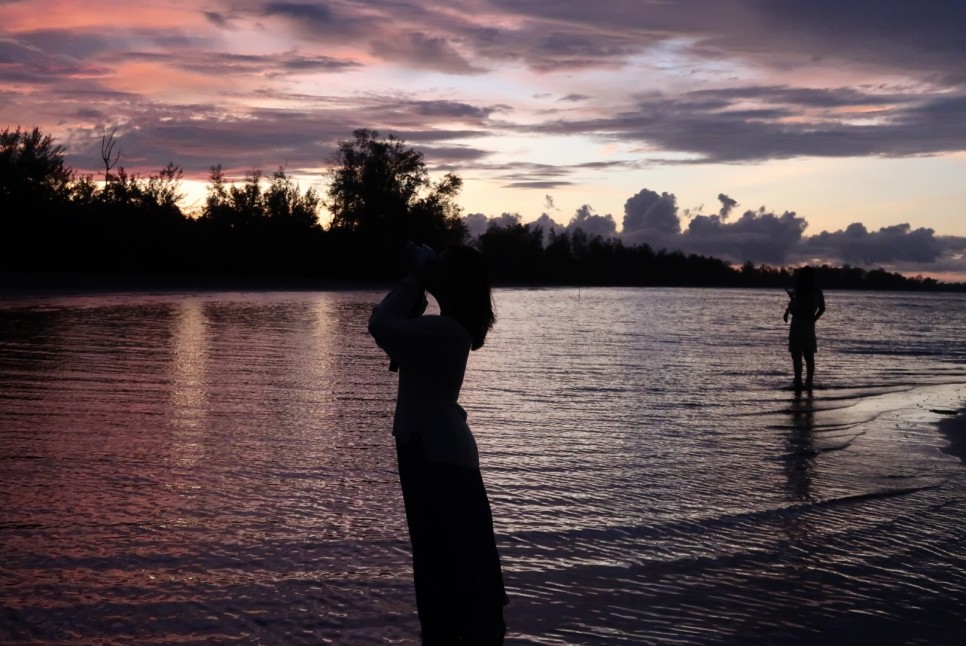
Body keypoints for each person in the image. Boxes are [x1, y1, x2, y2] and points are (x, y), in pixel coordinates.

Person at [368, 242, 507, 645]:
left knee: (447, 568)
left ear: (454, 281)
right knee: (446, 566)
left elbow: (380, 324)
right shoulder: (440, 330)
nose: (433, 266)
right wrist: (420, 282)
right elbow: (389, 329)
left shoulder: (446, 331)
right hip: (434, 452)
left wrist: (415, 277)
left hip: (436, 457)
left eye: (440, 264)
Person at [783, 265, 826, 390]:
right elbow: (822, 308)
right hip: (809, 324)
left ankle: (798, 381)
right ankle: (809, 382)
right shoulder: (817, 290)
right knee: (809, 356)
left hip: (797, 323)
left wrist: (788, 309)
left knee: (796, 355)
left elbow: (794, 308)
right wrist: (814, 319)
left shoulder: (799, 290)